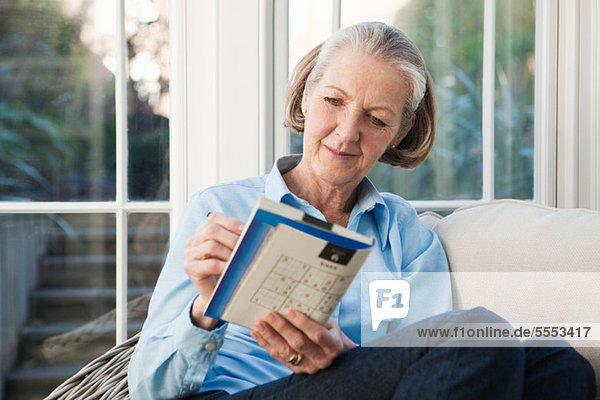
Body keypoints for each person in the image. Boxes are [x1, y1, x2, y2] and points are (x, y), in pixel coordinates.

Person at [128, 22, 595, 399]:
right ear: (307, 96)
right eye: (333, 101)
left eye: (376, 119)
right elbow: (147, 387)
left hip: (350, 387)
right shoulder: (220, 209)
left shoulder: (404, 235)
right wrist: (206, 309)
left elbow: (430, 370)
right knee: (477, 332)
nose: (347, 132)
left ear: (400, 130)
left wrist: (344, 354)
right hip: (245, 392)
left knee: (561, 365)